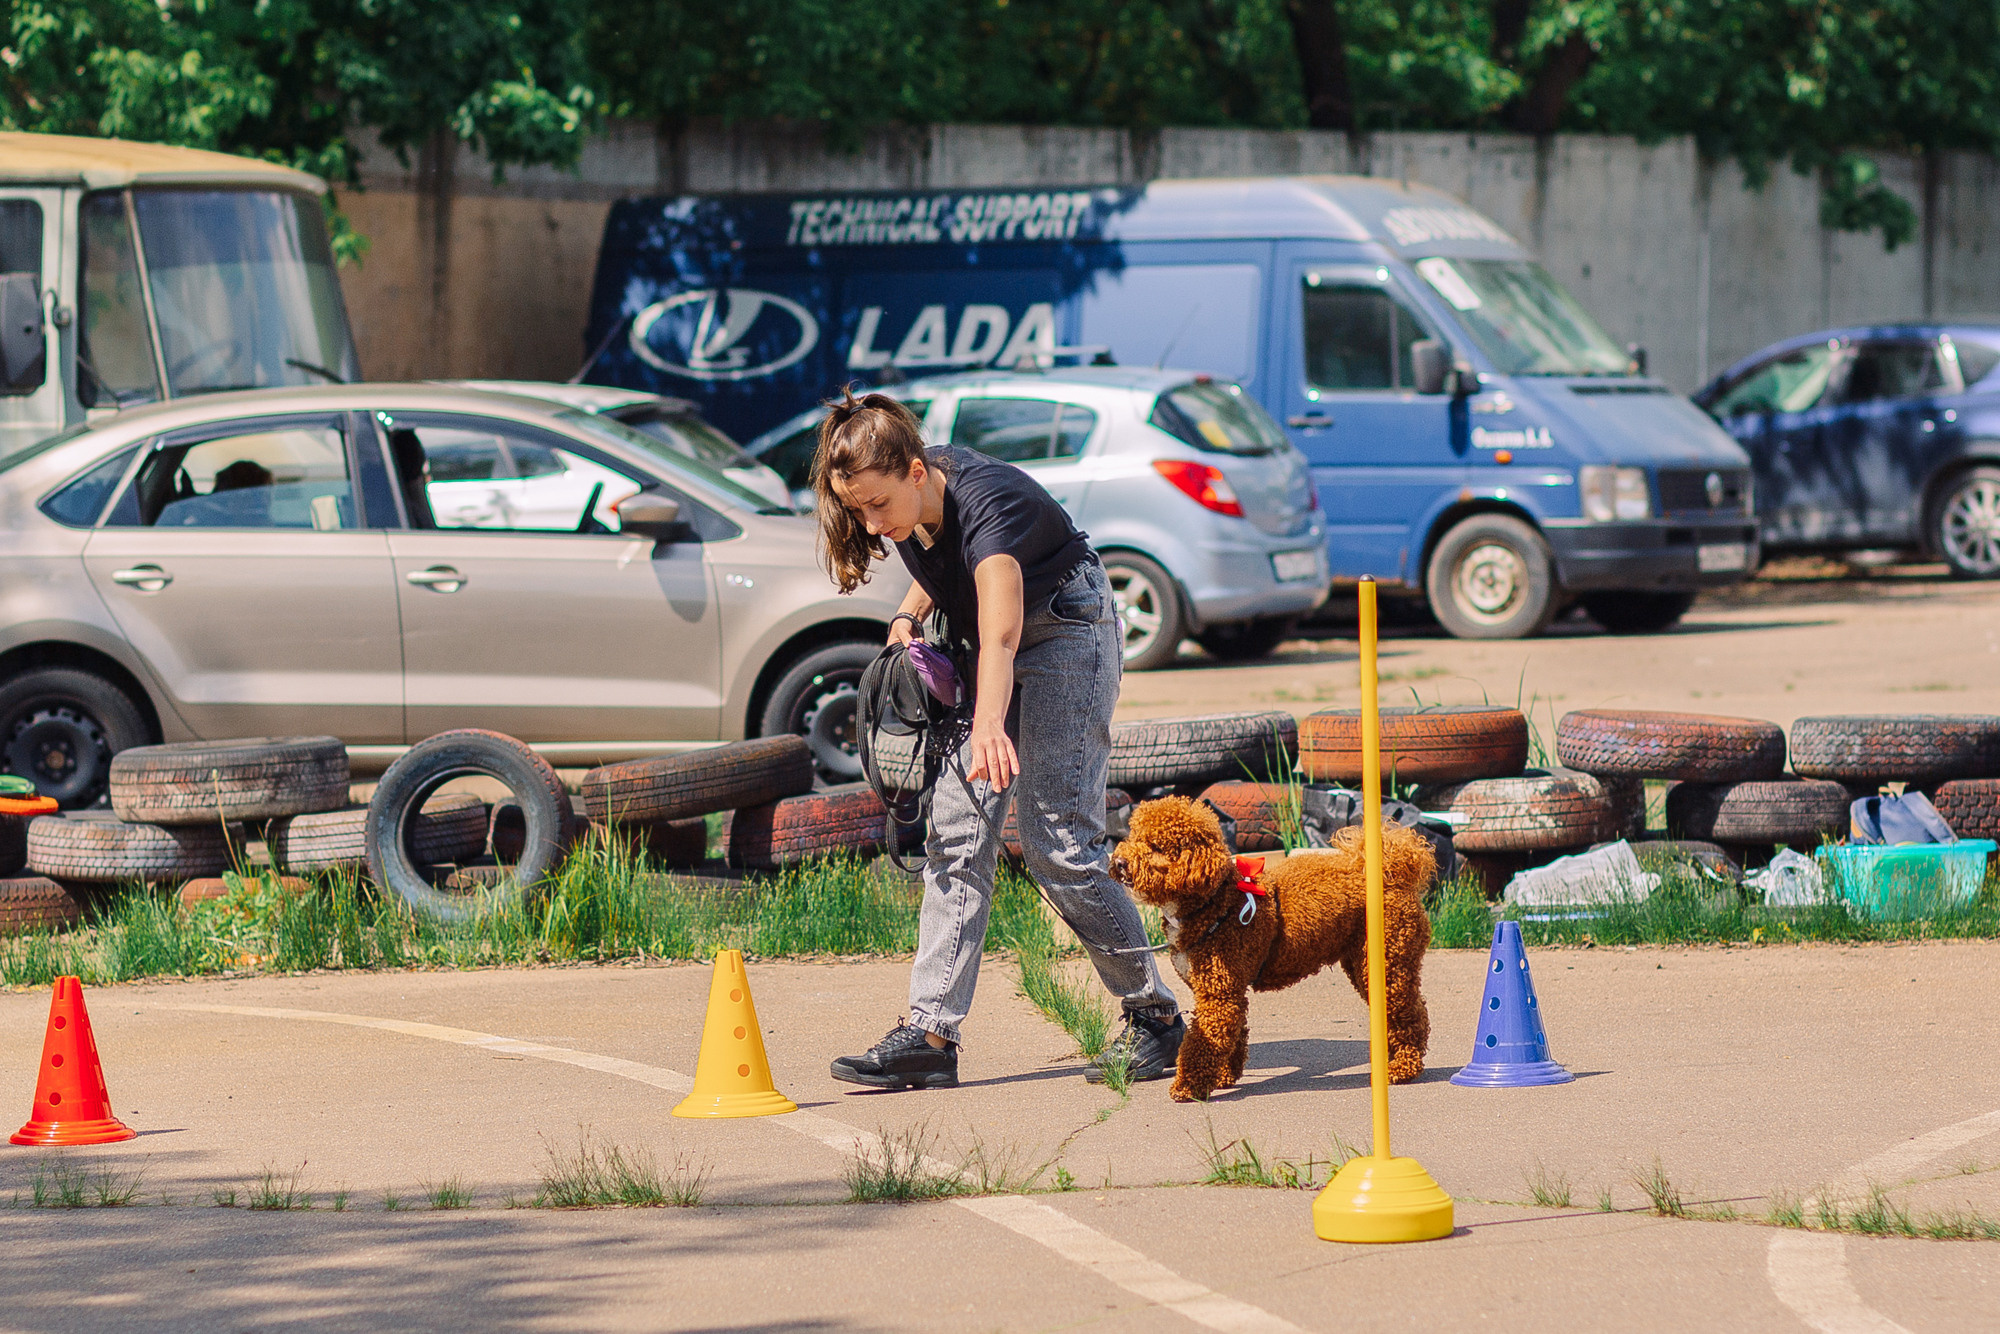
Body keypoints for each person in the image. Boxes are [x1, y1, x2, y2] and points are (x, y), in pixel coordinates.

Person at [813, 390, 1184, 1090]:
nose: (871, 523)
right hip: (997, 650)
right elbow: (936, 564)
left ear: (917, 473)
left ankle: (1156, 1017)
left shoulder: (991, 504)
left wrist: (988, 722)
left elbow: (1003, 625)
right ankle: (929, 1033)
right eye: (856, 509)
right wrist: (904, 617)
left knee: (1056, 842)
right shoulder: (910, 506)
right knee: (954, 833)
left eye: (878, 505)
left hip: (1066, 631)